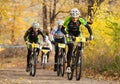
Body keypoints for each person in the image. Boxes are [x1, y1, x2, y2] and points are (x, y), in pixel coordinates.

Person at [61, 8, 93, 73]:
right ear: (71, 16)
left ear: (78, 16)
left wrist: (91, 35)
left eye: (76, 18)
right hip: (69, 34)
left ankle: (79, 54)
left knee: (81, 43)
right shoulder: (67, 20)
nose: (75, 19)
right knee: (71, 46)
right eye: (73, 18)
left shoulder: (80, 19)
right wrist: (66, 34)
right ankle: (68, 66)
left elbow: (88, 27)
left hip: (78, 33)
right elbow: (62, 29)